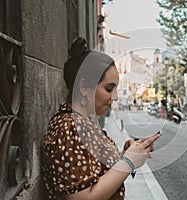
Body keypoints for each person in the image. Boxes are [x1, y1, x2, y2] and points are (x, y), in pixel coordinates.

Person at [41, 37, 160, 200]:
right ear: (83, 88)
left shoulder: (81, 123)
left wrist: (127, 154)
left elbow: (95, 174)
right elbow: (82, 197)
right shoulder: (69, 127)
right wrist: (128, 162)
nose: (115, 97)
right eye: (109, 88)